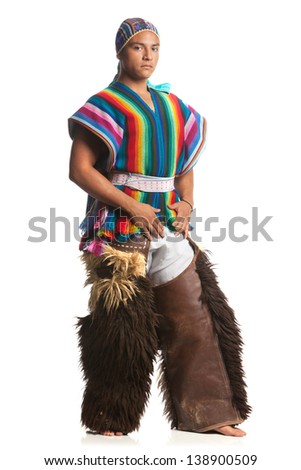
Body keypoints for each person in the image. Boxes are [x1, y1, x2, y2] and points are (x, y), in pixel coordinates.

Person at [68, 17, 251, 438]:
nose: (147, 55)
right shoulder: (104, 106)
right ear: (120, 52)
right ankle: (109, 416)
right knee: (121, 324)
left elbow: (184, 166)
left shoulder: (174, 107)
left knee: (195, 313)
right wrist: (132, 206)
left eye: (154, 48)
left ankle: (208, 411)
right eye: (138, 47)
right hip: (116, 227)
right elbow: (80, 170)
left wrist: (187, 203)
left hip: (168, 225)